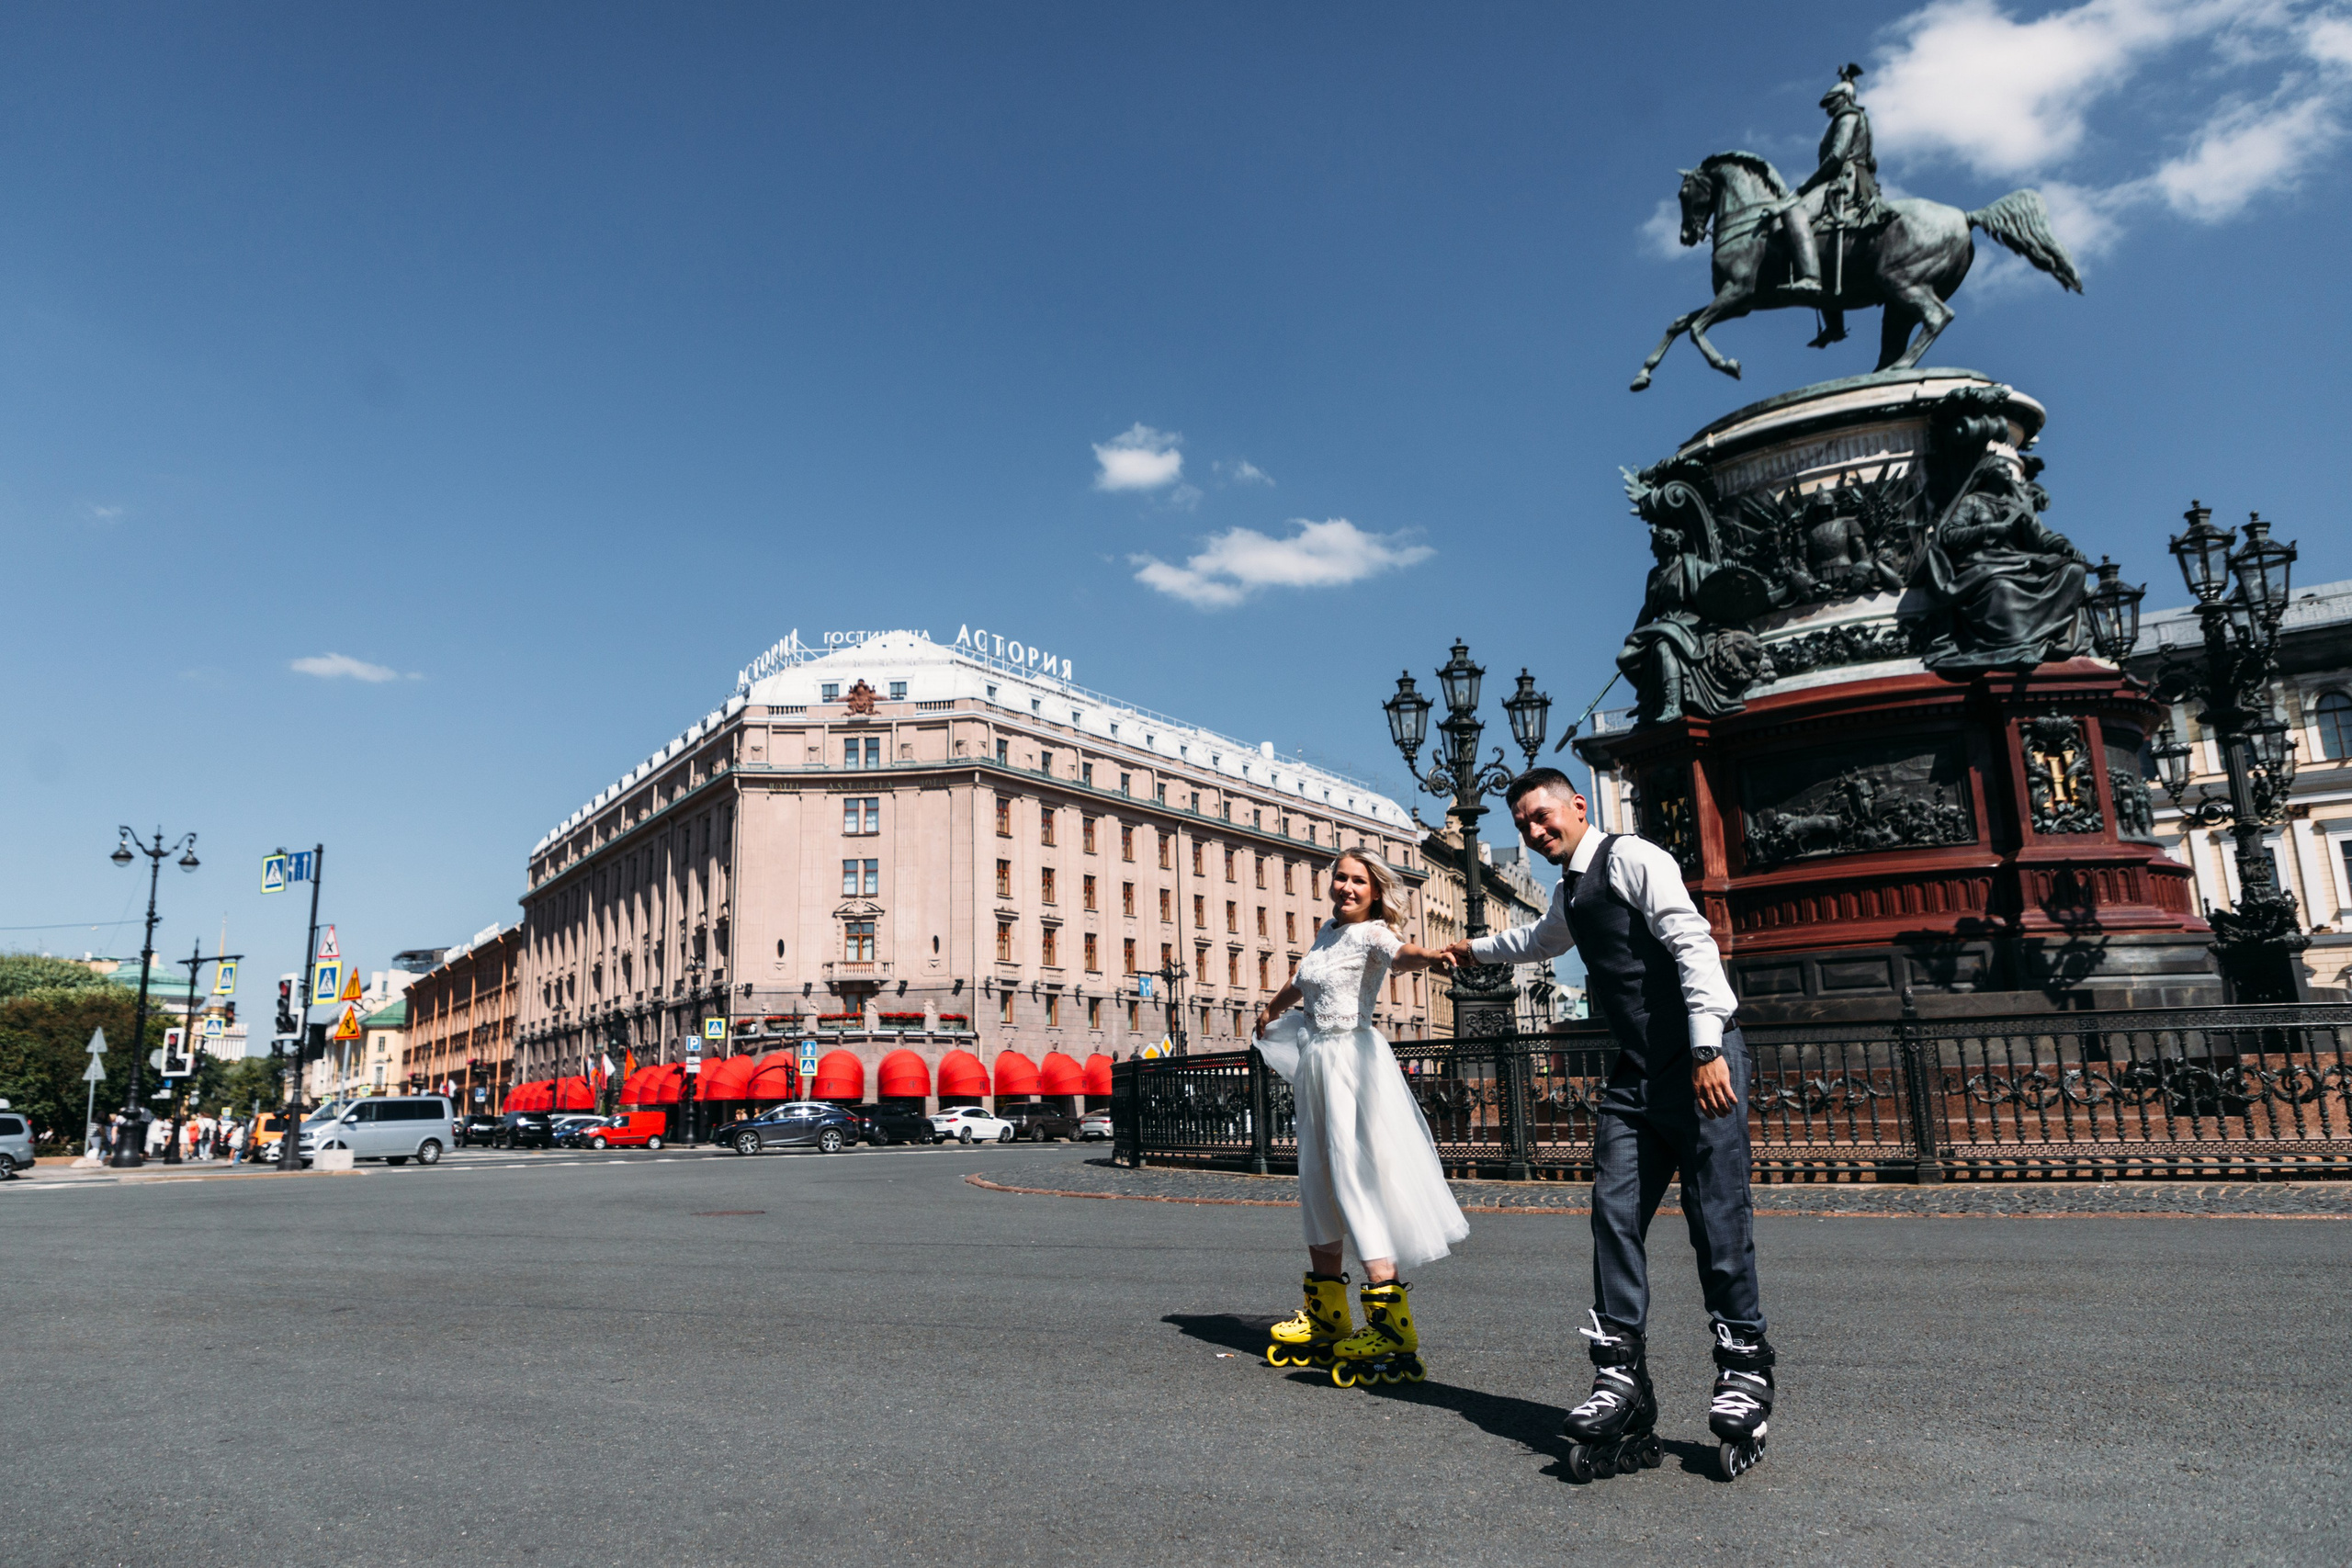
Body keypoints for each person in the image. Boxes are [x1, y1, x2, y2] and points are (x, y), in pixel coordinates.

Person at [1443, 769, 1776, 1480]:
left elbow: (1694, 945)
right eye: (1525, 825)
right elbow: (1537, 941)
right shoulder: (1571, 889)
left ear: (1576, 806)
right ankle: (1619, 1375)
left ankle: (1744, 1371)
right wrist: (1467, 950)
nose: (1536, 831)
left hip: (1697, 1064)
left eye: (1543, 815)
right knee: (1612, 1214)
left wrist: (1709, 1046)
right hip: (1635, 1075)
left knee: (1716, 1219)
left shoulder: (1633, 858)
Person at [1252, 849, 1466, 1386]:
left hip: (1352, 1061)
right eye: (1341, 879)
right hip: (1317, 1063)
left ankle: (1389, 1324)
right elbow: (1302, 981)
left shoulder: (1372, 934)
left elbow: (1403, 953)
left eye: (1358, 882)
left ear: (1374, 892)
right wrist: (1272, 1009)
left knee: (1356, 1181)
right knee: (1318, 1182)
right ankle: (1327, 1316)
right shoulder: (1326, 934)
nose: (1347, 888)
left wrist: (1436, 958)